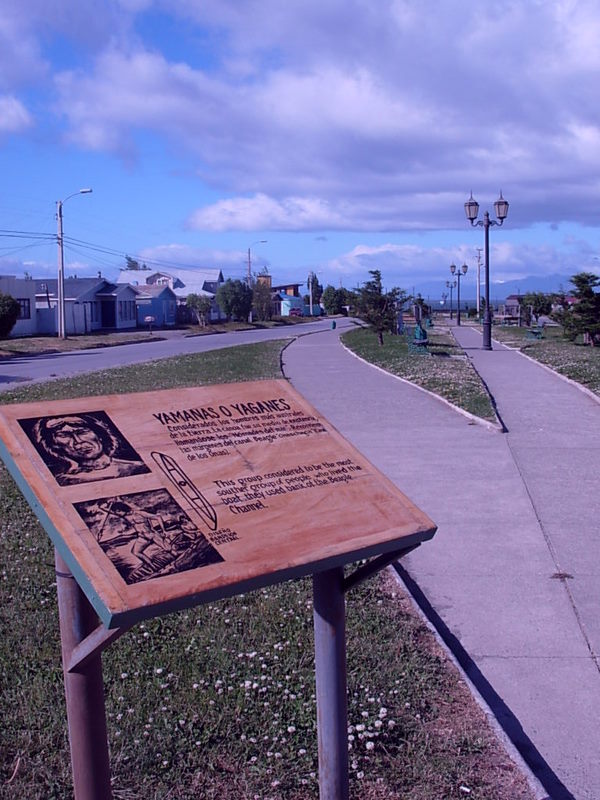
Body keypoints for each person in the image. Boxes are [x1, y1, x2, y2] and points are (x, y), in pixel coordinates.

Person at [31, 413, 149, 485]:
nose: (78, 441)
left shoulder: (138, 467)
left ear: (99, 435)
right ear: (55, 445)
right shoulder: (66, 481)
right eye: (64, 436)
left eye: (82, 432)